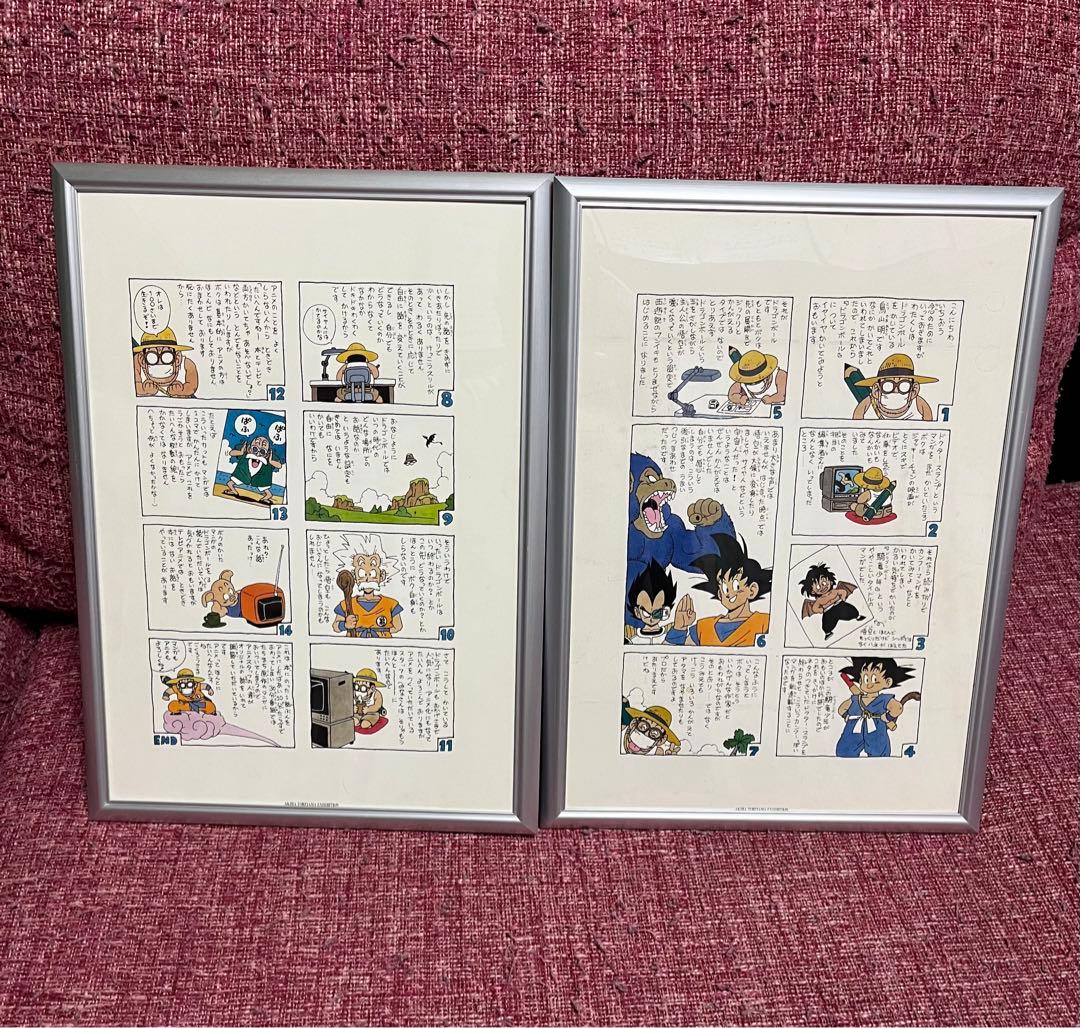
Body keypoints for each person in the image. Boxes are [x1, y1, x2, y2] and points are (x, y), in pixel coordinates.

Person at [668, 534, 771, 646]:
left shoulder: (764, 623)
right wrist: (679, 629)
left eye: (736, 586)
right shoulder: (703, 627)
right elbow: (672, 654)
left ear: (752, 590)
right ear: (719, 594)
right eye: (725, 588)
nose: (729, 593)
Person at [835, 656, 920, 757]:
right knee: (844, 753)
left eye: (874, 679)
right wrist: (847, 716)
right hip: (854, 731)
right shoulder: (856, 699)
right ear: (861, 681)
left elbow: (898, 708)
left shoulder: (883, 699)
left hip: (875, 732)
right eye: (866, 679)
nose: (869, 684)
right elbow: (841, 709)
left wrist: (887, 717)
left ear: (887, 682)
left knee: (879, 756)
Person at [851, 353, 937, 421]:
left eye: (904, 385)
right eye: (888, 385)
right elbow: (856, 423)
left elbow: (928, 422)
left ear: (914, 390)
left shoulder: (918, 403)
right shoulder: (869, 402)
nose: (896, 391)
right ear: (876, 390)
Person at [799, 563, 865, 640]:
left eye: (823, 583)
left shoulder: (834, 591)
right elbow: (814, 608)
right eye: (818, 587)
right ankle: (828, 632)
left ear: (830, 581)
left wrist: (843, 597)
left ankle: (857, 616)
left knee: (851, 610)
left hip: (840, 605)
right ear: (812, 591)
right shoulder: (819, 600)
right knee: (827, 624)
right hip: (828, 612)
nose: (822, 587)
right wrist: (820, 610)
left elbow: (842, 591)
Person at [132, 329, 199, 397]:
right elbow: (133, 384)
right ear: (142, 360)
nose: (159, 362)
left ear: (177, 358)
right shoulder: (137, 361)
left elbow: (192, 385)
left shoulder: (185, 363)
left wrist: (183, 390)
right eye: (152, 356)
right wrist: (143, 390)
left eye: (167, 355)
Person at [624, 559, 678, 644]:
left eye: (657, 613)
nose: (651, 618)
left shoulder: (669, 635)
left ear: (665, 611)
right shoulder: (632, 638)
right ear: (637, 612)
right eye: (646, 613)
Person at [223, 434, 282, 505]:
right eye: (255, 449)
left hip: (260, 479)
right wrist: (240, 452)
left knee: (265, 490)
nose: (258, 454)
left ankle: (266, 497)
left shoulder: (267, 462)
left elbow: (279, 466)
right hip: (243, 475)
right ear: (249, 449)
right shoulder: (245, 456)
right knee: (229, 483)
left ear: (266, 454)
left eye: (262, 451)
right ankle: (234, 491)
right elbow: (231, 453)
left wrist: (271, 461)